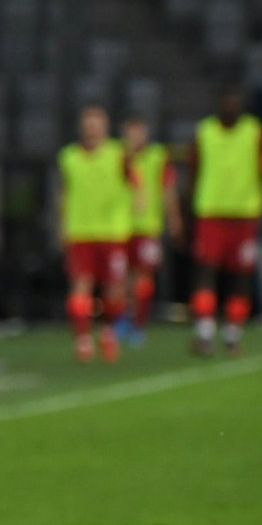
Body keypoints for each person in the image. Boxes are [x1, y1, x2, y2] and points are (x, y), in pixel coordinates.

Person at [184, 89, 262, 356]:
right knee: (205, 271)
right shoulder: (204, 133)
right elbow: (192, 172)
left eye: (234, 101)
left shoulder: (255, 133)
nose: (230, 106)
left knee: (241, 277)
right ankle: (204, 333)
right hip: (210, 213)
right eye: (226, 101)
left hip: (244, 216)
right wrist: (190, 211)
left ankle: (233, 334)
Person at [55, 105, 133, 364]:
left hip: (112, 233)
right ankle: (83, 338)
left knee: (114, 292)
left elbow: (136, 183)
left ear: (106, 126)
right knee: (81, 286)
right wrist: (62, 226)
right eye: (89, 123)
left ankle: (108, 331)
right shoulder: (69, 158)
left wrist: (135, 204)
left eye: (97, 123)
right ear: (81, 127)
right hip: (81, 232)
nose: (93, 128)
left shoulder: (118, 154)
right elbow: (63, 194)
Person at [120, 116, 177, 346]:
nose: (134, 137)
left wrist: (173, 217)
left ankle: (138, 323)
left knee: (143, 277)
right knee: (121, 279)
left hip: (148, 226)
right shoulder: (116, 156)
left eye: (138, 131)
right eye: (130, 132)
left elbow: (167, 189)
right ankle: (121, 318)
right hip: (118, 227)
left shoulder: (157, 157)